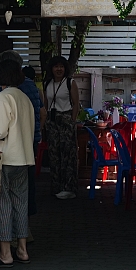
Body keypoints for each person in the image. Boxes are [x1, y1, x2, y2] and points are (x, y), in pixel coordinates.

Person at [0, 59, 35, 267]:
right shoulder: (25, 98)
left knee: (2, 204)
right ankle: (23, 250)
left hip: (4, 159)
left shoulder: (1, 98)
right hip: (23, 158)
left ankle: (5, 254)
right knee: (20, 203)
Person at [0, 51, 43, 216]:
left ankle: (10, 233)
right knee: (26, 188)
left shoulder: (3, 95)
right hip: (30, 140)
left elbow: (0, 130)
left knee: (6, 195)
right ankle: (25, 226)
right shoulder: (30, 86)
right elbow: (41, 112)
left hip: (10, 150)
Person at [42, 55, 81, 200]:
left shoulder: (70, 82)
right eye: (56, 66)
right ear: (51, 69)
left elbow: (76, 103)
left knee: (68, 154)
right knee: (54, 154)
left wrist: (72, 120)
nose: (59, 69)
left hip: (66, 119)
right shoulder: (48, 83)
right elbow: (45, 103)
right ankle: (56, 186)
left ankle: (69, 187)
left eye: (61, 66)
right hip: (52, 121)